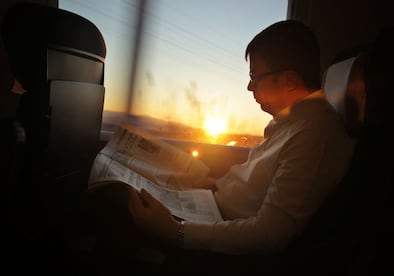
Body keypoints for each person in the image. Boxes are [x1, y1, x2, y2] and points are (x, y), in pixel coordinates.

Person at [84, 19, 354, 272]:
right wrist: (213, 185)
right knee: (125, 188)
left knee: (118, 204)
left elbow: (270, 234)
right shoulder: (292, 123)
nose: (250, 86)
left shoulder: (314, 135)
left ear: (290, 80)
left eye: (255, 75)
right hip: (212, 207)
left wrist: (176, 233)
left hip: (226, 244)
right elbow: (256, 186)